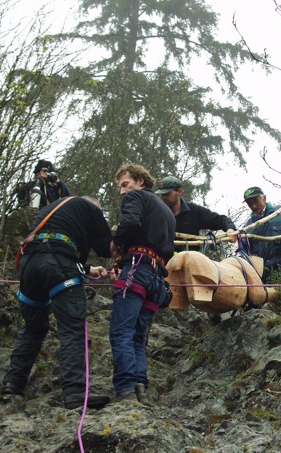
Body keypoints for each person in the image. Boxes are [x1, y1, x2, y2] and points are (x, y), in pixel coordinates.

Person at [3, 195, 113, 410]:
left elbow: (55, 243)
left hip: (29, 264)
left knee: (33, 328)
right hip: (58, 262)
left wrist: (87, 268)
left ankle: (12, 384)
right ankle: (74, 392)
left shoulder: (54, 210)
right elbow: (104, 248)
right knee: (72, 327)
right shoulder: (90, 208)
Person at [109, 164, 175, 405]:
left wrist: (116, 243)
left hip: (137, 267)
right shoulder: (167, 212)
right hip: (157, 277)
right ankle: (140, 387)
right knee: (138, 336)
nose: (122, 192)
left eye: (125, 184)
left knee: (121, 332)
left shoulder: (136, 197)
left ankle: (126, 389)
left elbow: (130, 223)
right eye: (120, 188)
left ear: (140, 181)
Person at [155, 176, 237, 251]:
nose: (163, 197)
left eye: (167, 193)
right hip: (163, 262)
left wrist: (230, 229)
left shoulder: (194, 211)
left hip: (191, 262)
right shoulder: (156, 214)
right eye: (161, 194)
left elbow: (221, 220)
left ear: (180, 192)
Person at [242, 186, 281, 282]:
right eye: (249, 204)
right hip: (263, 277)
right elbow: (244, 252)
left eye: (256, 201)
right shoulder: (248, 227)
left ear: (264, 198)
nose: (254, 206)